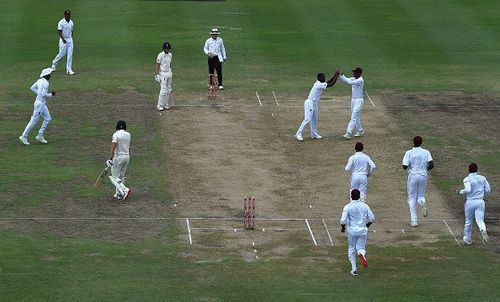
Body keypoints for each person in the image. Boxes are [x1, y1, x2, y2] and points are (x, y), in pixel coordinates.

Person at [294, 72, 339, 141]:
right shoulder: (318, 84)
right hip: (310, 103)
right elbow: (330, 84)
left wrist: (334, 75)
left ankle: (314, 134)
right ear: (319, 78)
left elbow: (328, 82)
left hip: (314, 104)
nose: (324, 78)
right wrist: (336, 77)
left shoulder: (321, 83)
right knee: (308, 119)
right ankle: (298, 134)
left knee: (314, 119)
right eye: (323, 77)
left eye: (324, 77)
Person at [340, 189, 375, 277]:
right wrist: (367, 225)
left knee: (351, 248)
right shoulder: (365, 206)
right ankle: (362, 254)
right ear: (359, 196)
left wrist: (343, 228)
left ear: (351, 196)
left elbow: (343, 220)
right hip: (362, 230)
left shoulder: (347, 206)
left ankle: (354, 269)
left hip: (352, 230)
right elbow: (372, 218)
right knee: (360, 247)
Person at [402, 136, 434, 227]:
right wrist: (424, 169)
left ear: (413, 142)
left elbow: (404, 166)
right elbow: (431, 164)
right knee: (421, 196)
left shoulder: (409, 152)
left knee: (411, 198)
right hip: (423, 176)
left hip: (413, 176)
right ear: (421, 142)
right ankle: (422, 203)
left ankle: (414, 221)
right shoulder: (426, 152)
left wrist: (410, 167)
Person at [19, 68, 56, 145]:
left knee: (48, 118)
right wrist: (51, 94)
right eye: (49, 74)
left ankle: (40, 135)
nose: (50, 75)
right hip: (40, 105)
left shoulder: (39, 81)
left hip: (41, 104)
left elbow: (32, 88)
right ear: (46, 75)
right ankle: (24, 136)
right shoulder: (46, 83)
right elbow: (43, 94)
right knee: (33, 121)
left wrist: (39, 93)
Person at [456, 163, 491, 245]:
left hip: (470, 202)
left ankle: (467, 239)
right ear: (477, 169)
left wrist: (460, 191)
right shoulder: (482, 178)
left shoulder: (467, 179)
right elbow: (488, 190)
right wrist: (481, 194)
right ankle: (483, 230)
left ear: (469, 170)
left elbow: (468, 190)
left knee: (468, 221)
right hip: (480, 202)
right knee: (480, 220)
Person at [107, 120, 131, 201]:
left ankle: (124, 190)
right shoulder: (128, 135)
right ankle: (119, 194)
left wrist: (110, 158)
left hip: (118, 157)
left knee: (114, 177)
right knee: (121, 176)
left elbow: (113, 146)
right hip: (127, 157)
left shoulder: (116, 135)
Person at [339, 67, 364, 139]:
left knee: (353, 116)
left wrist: (342, 76)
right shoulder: (354, 78)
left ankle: (349, 133)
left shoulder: (360, 80)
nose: (353, 73)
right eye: (353, 72)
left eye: (355, 72)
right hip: (353, 101)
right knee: (356, 116)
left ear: (359, 73)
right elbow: (345, 80)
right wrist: (341, 75)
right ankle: (360, 130)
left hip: (359, 101)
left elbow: (349, 82)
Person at [51, 10, 75, 75]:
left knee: (70, 55)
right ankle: (54, 62)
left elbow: (71, 31)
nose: (68, 16)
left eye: (69, 14)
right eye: (67, 15)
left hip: (69, 39)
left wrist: (71, 38)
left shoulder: (71, 22)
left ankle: (69, 69)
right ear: (64, 15)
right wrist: (63, 39)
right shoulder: (61, 22)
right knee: (62, 54)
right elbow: (59, 31)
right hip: (63, 40)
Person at [155, 41, 173, 111]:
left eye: (168, 49)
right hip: (162, 74)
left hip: (169, 73)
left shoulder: (170, 55)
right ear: (163, 49)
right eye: (166, 49)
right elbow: (157, 64)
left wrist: (171, 72)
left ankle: (166, 104)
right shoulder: (160, 55)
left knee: (168, 89)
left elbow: (170, 64)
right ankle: (159, 105)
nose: (167, 50)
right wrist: (157, 74)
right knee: (163, 90)